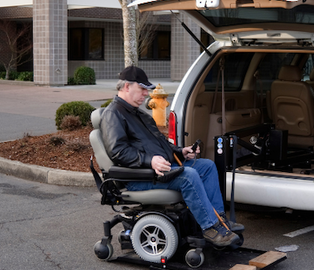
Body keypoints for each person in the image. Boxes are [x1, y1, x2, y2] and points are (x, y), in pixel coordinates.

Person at [100, 66, 241, 247]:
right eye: (142, 89)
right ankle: (210, 228)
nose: (146, 94)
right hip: (138, 176)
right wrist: (149, 161)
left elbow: (160, 143)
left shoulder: (138, 114)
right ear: (127, 87)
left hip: (160, 169)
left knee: (206, 166)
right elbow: (118, 151)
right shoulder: (113, 114)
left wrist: (179, 151)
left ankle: (220, 221)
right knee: (188, 176)